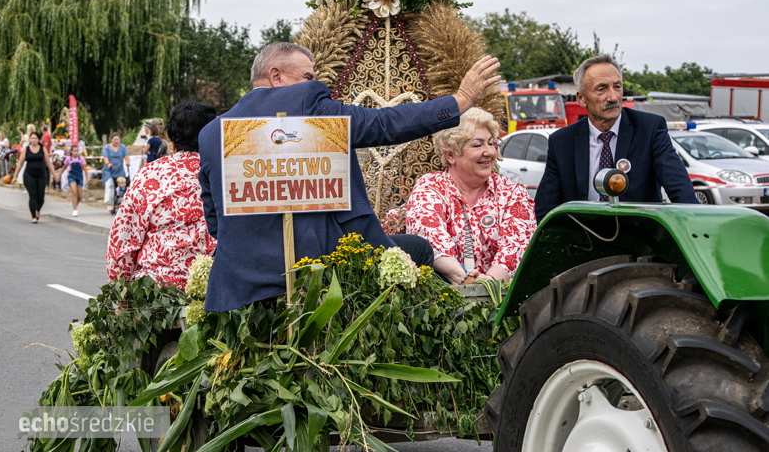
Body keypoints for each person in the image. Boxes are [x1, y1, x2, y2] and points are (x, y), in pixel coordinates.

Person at [198, 42, 501, 312]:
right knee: (419, 248)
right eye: (307, 76)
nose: (313, 82)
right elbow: (384, 123)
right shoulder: (305, 102)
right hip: (320, 278)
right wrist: (460, 100)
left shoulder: (211, 134)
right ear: (276, 76)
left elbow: (215, 224)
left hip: (239, 287)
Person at [534, 54, 697, 220]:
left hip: (638, 240)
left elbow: (683, 195)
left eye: (617, 87)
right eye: (601, 89)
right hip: (583, 241)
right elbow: (544, 212)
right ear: (581, 99)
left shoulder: (650, 130)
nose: (612, 97)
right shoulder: (562, 142)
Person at [406, 108, 537, 286]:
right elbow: (430, 238)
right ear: (450, 154)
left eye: (492, 144)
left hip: (502, 300)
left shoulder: (512, 192)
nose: (490, 152)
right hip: (444, 299)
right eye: (478, 145)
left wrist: (488, 284)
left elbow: (516, 247)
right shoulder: (430, 188)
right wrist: (463, 278)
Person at [107, 102, 218, 290]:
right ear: (213, 136)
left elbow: (123, 240)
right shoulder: (226, 172)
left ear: (172, 142)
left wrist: (121, 293)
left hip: (157, 293)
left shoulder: (149, 175)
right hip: (216, 290)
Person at [11, 132, 57, 223]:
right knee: (33, 196)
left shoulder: (42, 149)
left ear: (38, 139)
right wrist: (14, 176)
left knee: (41, 197)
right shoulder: (26, 149)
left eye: (36, 138)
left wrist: (55, 175)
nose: (34, 140)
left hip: (41, 175)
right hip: (29, 175)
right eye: (32, 138)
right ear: (30, 139)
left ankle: (38, 210)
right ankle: (33, 216)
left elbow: (48, 163)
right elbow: (20, 163)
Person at [102, 133, 130, 213]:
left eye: (118, 139)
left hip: (119, 170)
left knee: (121, 187)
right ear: (111, 140)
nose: (116, 141)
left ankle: (118, 204)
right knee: (110, 186)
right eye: (115, 140)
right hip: (110, 170)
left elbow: (126, 156)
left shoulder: (123, 147)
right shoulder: (107, 148)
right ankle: (110, 204)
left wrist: (127, 162)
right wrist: (108, 164)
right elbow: (105, 158)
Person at [57, 145, 87, 217]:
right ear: (71, 151)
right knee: (74, 192)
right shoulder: (68, 159)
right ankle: (74, 210)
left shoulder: (81, 159)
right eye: (74, 151)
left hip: (79, 176)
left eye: (77, 151)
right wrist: (59, 175)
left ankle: (75, 205)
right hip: (71, 176)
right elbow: (64, 167)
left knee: (79, 195)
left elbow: (85, 169)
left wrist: (86, 179)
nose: (76, 152)